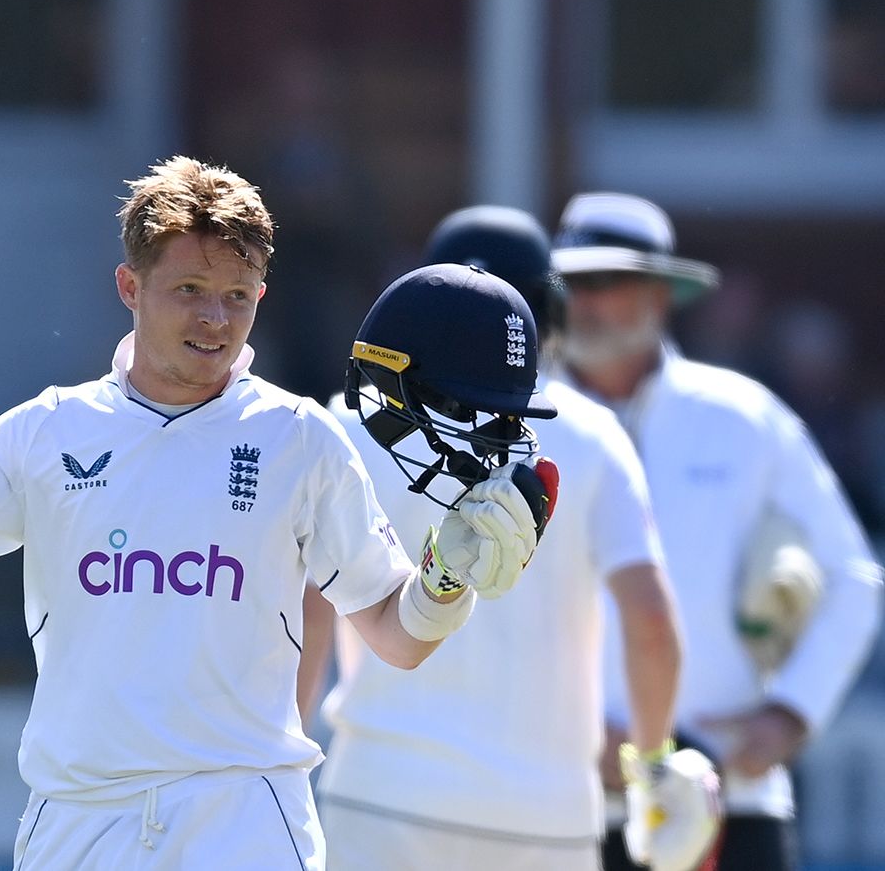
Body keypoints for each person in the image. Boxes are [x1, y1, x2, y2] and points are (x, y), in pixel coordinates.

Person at [0, 156, 554, 869]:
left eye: (236, 296)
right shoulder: (45, 434)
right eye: (189, 290)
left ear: (261, 299)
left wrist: (451, 576)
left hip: (246, 822)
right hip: (79, 826)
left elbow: (396, 632)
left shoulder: (301, 440)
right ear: (129, 286)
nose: (214, 319)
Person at [299, 206, 710, 871]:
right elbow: (651, 619)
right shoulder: (591, 432)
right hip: (545, 814)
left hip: (379, 794)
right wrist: (655, 769)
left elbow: (306, 622)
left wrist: (276, 770)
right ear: (548, 310)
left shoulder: (345, 424)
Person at [550, 192, 883, 871]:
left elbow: (853, 576)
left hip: (733, 801)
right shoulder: (522, 421)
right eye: (571, 281)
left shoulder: (743, 416)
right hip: (565, 800)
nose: (584, 301)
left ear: (659, 295)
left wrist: (788, 716)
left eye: (605, 281)